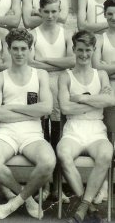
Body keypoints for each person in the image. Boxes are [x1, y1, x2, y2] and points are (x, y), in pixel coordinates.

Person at [0, 28, 55, 220]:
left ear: (30, 49)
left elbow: (47, 108)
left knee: (48, 162)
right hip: (5, 133)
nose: (19, 53)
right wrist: (29, 111)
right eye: (15, 48)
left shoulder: (40, 74)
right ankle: (28, 200)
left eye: (24, 48)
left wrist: (12, 108)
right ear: (8, 49)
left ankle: (14, 203)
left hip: (32, 134)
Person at [57, 30, 114, 222]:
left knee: (107, 152)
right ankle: (87, 206)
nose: (83, 54)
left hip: (96, 129)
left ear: (94, 50)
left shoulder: (102, 74)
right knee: (63, 154)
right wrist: (97, 100)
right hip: (73, 129)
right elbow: (65, 108)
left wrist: (81, 98)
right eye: (80, 50)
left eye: (88, 50)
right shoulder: (65, 76)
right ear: (73, 49)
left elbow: (111, 101)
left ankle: (82, 206)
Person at [29, 0, 74, 201]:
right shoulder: (33, 33)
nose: (50, 15)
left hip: (62, 88)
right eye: (46, 11)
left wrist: (44, 60)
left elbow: (72, 62)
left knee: (58, 136)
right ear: (39, 11)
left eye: (54, 11)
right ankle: (44, 186)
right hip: (40, 86)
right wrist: (58, 61)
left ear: (59, 11)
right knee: (43, 137)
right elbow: (30, 62)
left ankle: (58, 187)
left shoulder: (66, 33)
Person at [92, 0, 115, 203]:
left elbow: (104, 67)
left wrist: (110, 67)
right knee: (108, 139)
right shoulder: (100, 39)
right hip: (109, 92)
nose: (113, 18)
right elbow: (97, 66)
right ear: (105, 15)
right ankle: (104, 185)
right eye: (109, 14)